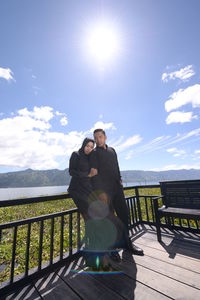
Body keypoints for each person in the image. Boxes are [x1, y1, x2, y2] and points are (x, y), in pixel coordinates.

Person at [68, 137, 122, 270]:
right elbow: (71, 171)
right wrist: (86, 174)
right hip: (77, 191)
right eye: (87, 146)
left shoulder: (90, 158)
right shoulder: (76, 154)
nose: (89, 148)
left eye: (91, 147)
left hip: (88, 192)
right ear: (83, 145)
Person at [89, 129, 144, 258]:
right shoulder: (94, 153)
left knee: (124, 215)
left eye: (100, 137)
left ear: (105, 137)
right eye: (95, 138)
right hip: (104, 192)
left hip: (117, 189)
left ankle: (127, 244)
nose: (98, 140)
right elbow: (94, 173)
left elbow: (117, 166)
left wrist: (119, 179)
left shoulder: (112, 150)